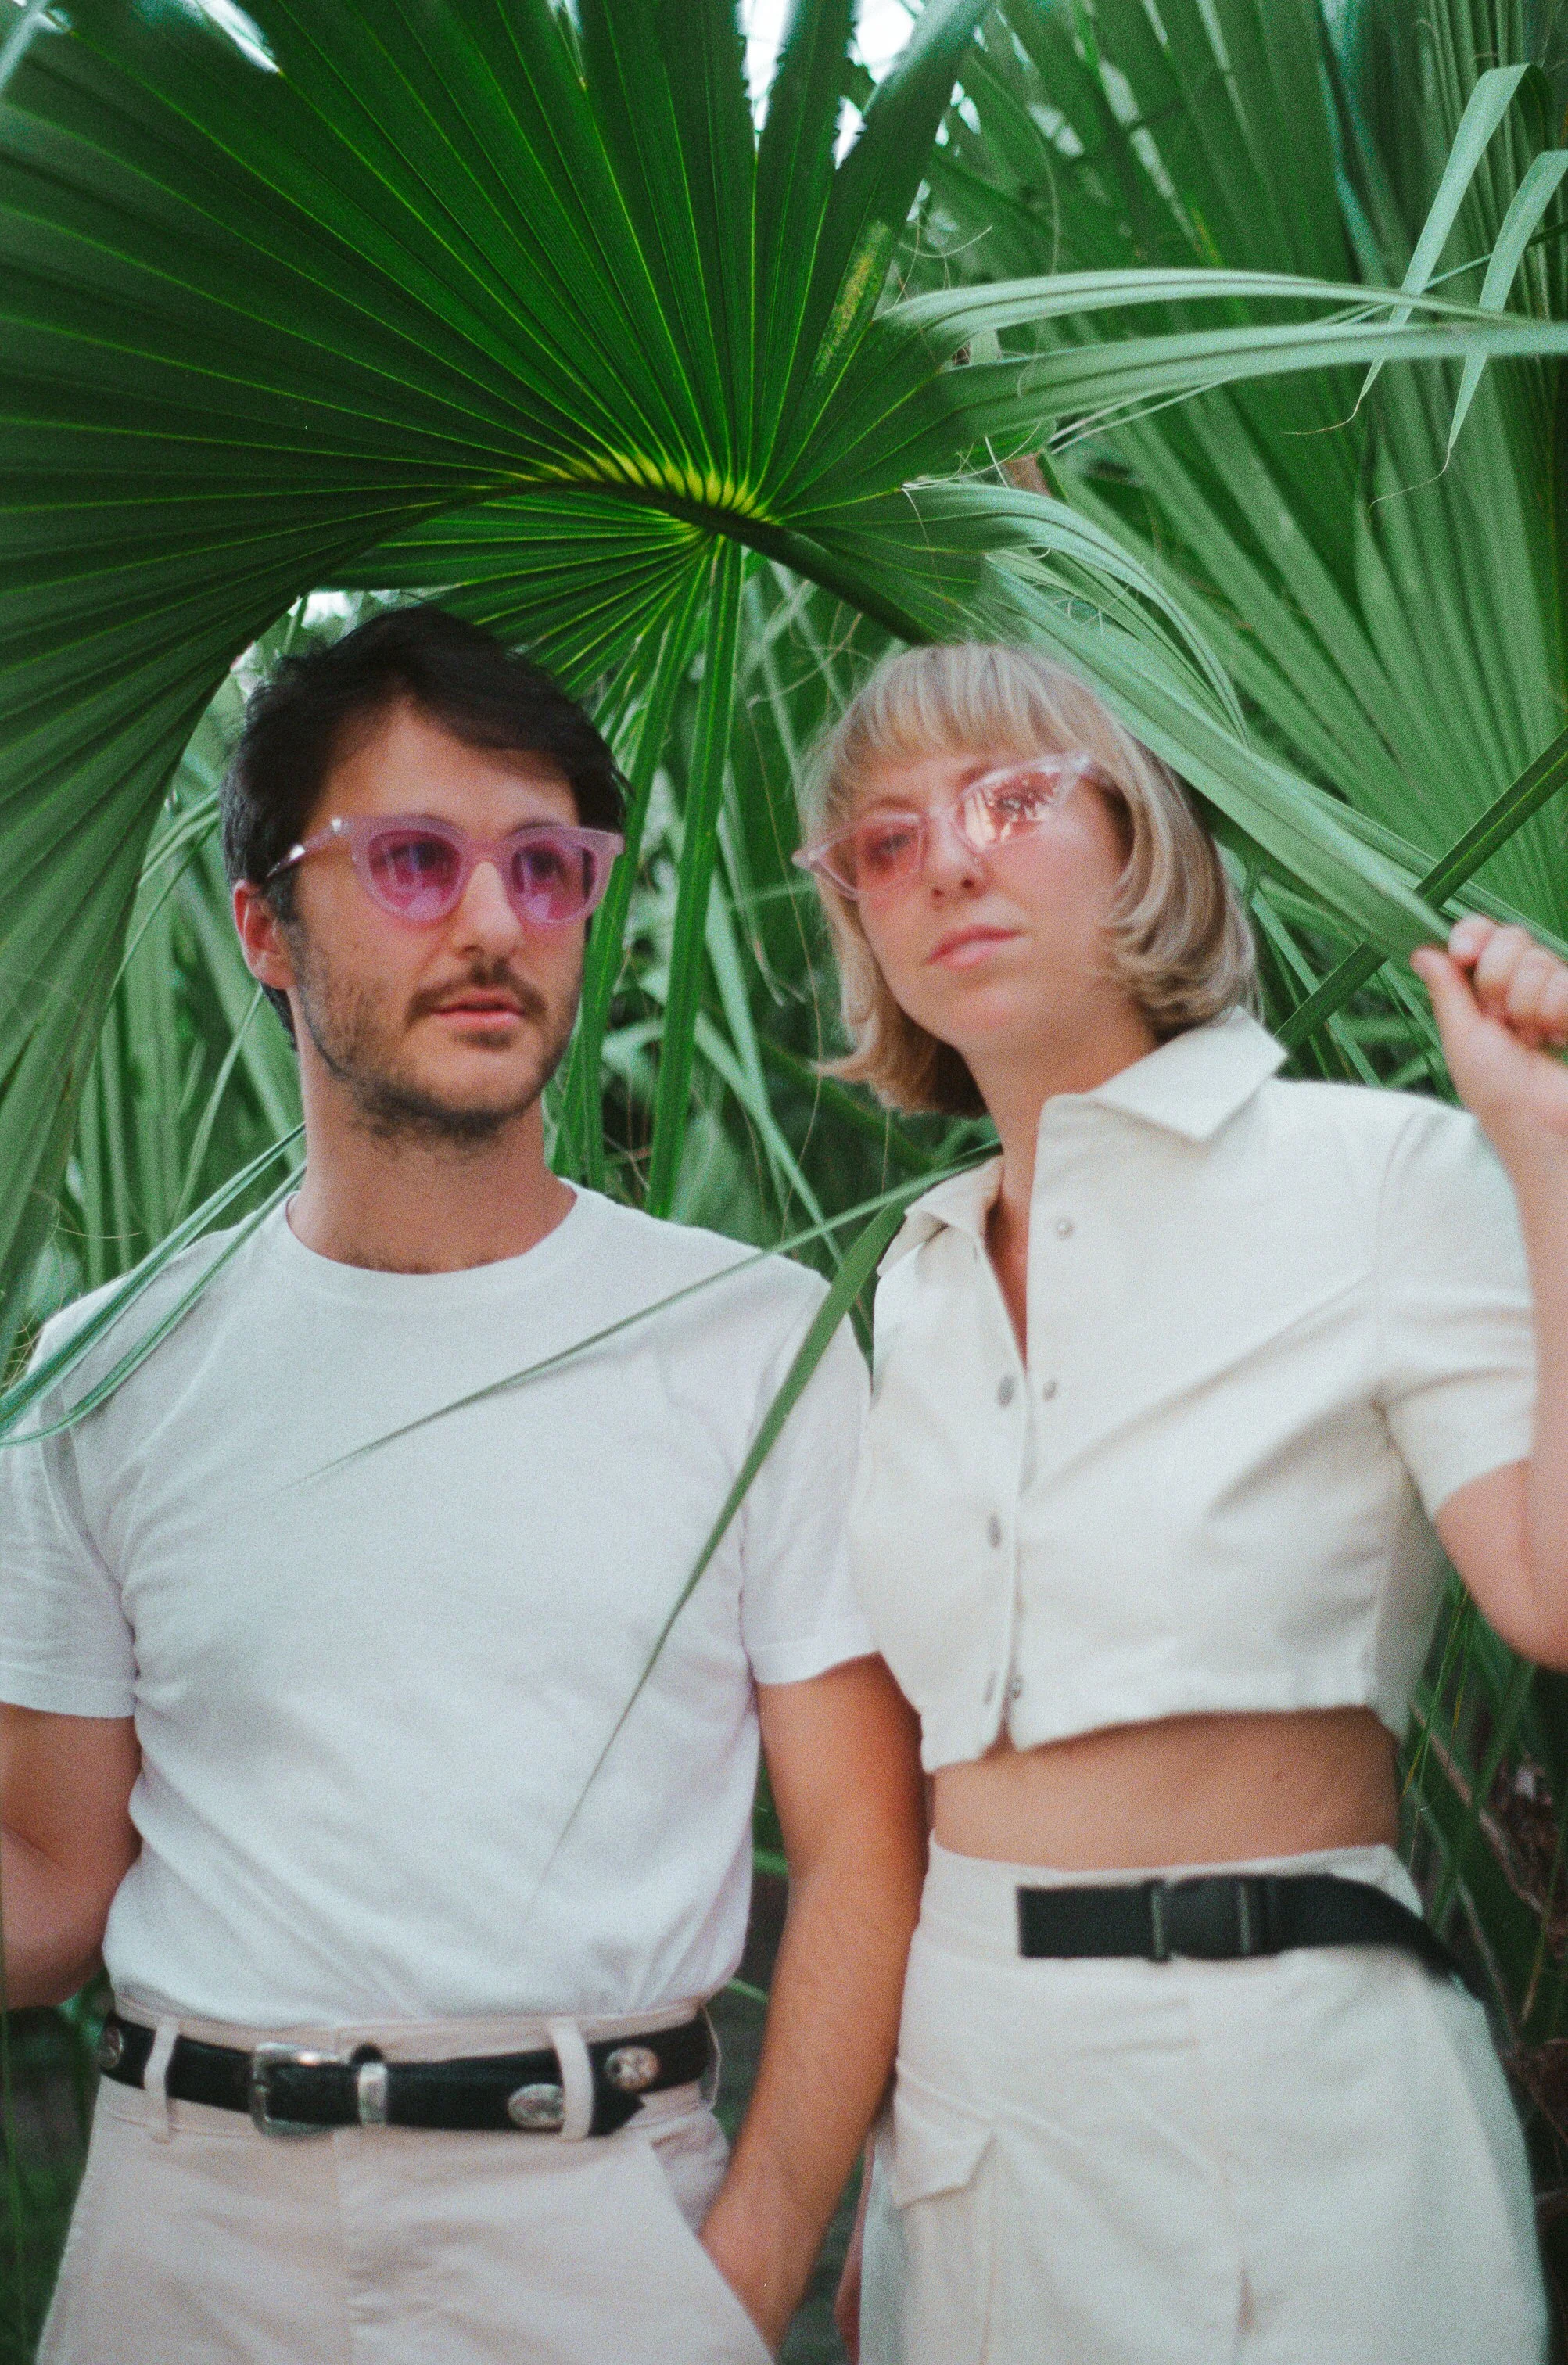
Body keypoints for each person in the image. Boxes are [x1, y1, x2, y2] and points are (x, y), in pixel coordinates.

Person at [0, 604, 926, 2365]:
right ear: (267, 925)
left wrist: (746, 2265)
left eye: (548, 869)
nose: (496, 926)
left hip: (601, 2225)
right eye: (414, 864)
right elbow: (47, 1892)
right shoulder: (109, 1368)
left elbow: (865, 1850)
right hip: (187, 2236)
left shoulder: (751, 1341)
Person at [792, 641, 1568, 2365]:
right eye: (887, 842)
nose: (952, 864)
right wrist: (888, 2143)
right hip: (975, 2110)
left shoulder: (1374, 1174)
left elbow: (1552, 1588)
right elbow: (926, 1770)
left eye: (1010, 800)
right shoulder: (915, 1286)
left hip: (1293, 2085)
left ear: (1140, 837)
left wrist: (1552, 1160)